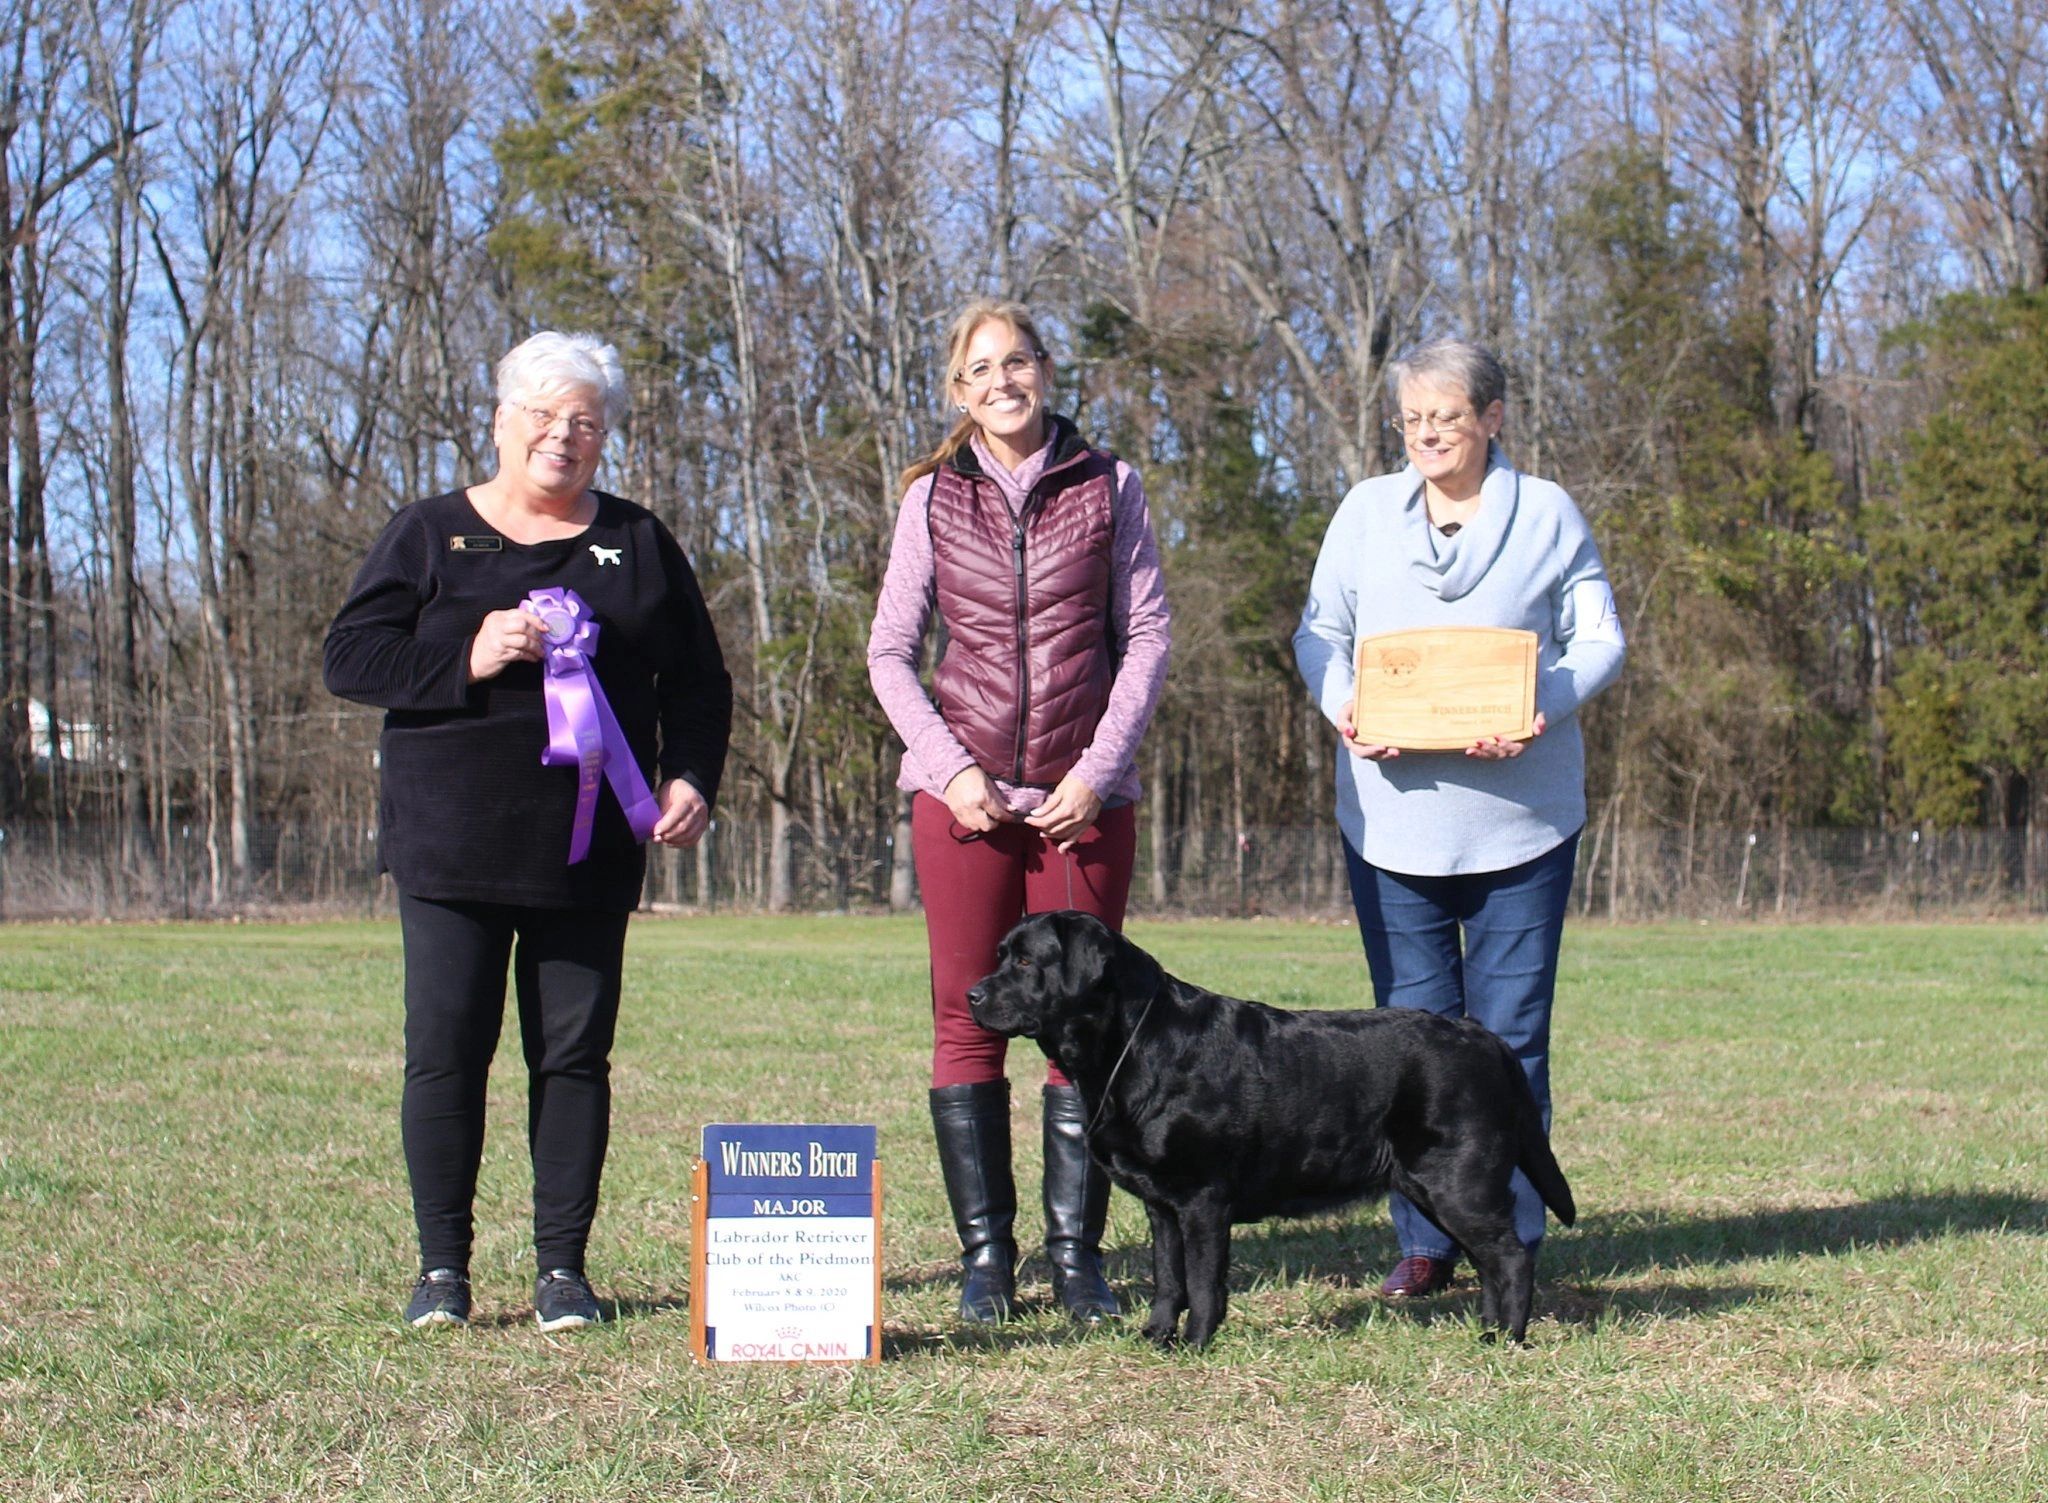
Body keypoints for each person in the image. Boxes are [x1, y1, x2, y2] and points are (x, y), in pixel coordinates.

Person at [324, 331, 732, 1331]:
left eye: (585, 423)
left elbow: (699, 680)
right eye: (543, 416)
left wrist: (690, 775)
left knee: (573, 1059)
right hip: (449, 845)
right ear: (502, 420)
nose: (563, 435)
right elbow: (349, 657)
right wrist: (466, 653)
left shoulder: (636, 542)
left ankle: (562, 1273)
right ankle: (441, 1274)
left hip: (588, 849)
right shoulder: (427, 532)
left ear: (604, 439)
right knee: (445, 1055)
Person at [1292, 336, 1624, 1302]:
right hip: (1392, 831)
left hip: (1522, 828)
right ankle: (1426, 1240)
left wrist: (1542, 704)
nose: (1427, 432)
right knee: (1408, 1047)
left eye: (1446, 415)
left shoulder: (1550, 515)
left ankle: (1511, 1237)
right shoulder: (1361, 515)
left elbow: (1601, 636)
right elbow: (1320, 632)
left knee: (1510, 1041)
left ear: (1493, 417)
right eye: (1411, 418)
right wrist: (1343, 704)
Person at [868, 298, 1172, 1325]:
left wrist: (1095, 770)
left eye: (1020, 360)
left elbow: (1146, 639)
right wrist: (950, 768)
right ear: (959, 390)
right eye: (981, 367)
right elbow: (888, 653)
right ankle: (986, 1262)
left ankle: (1074, 1257)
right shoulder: (928, 501)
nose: (1003, 380)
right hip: (964, 804)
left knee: (1079, 1029)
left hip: (1081, 805)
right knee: (968, 1023)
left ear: (1045, 371)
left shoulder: (1110, 484)